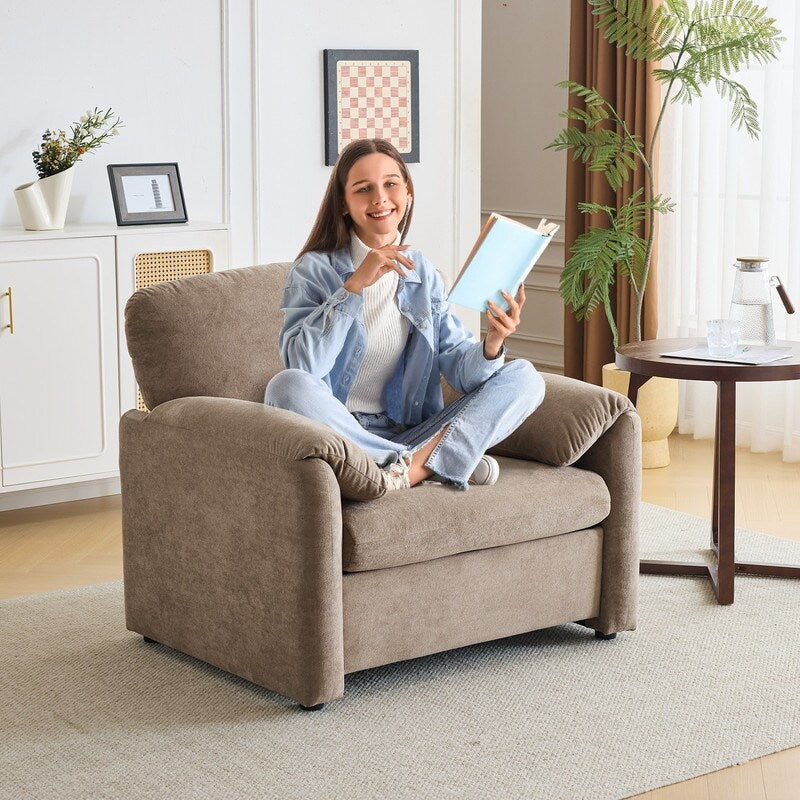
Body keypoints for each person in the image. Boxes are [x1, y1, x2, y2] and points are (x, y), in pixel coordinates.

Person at [264, 138, 545, 491]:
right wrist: (353, 288)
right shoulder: (313, 270)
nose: (380, 198)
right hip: (341, 435)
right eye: (363, 189)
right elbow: (304, 366)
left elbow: (461, 371)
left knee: (525, 377)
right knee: (285, 386)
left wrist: (493, 343)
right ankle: (435, 462)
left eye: (391, 184)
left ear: (407, 194)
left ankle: (405, 471)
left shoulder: (423, 273)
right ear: (344, 205)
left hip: (409, 430)